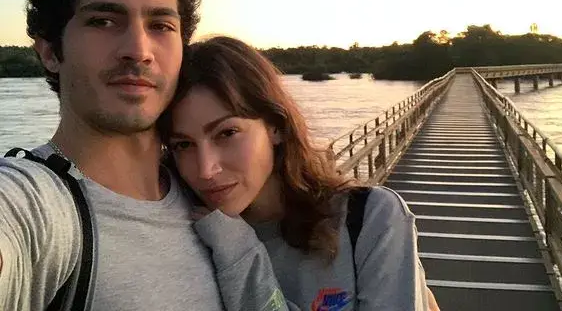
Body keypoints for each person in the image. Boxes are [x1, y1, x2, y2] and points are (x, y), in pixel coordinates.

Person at [0, 0, 290, 311]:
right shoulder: (33, 205)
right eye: (103, 21)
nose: (138, 50)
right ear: (50, 51)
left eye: (160, 25)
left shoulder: (205, 191)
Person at [163, 35, 442, 311]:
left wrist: (240, 255)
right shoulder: (184, 240)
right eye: (183, 144)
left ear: (276, 127)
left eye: (227, 133)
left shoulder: (369, 218)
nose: (206, 169)